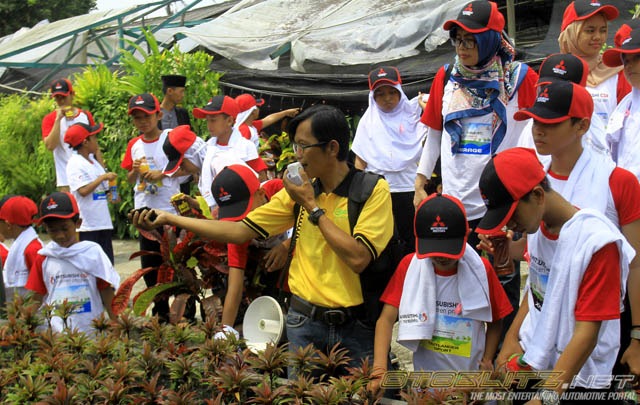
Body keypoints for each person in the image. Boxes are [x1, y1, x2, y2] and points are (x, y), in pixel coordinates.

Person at [131, 104, 394, 376]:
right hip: (304, 325)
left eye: (304, 146)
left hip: (357, 327)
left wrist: (313, 209)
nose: (297, 155)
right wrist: (170, 218)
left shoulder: (371, 191)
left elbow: (359, 258)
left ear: (332, 148)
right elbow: (239, 231)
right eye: (295, 146)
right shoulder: (298, 192)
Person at [413, 0, 537, 341]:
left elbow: (537, 136)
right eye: (458, 40)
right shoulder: (447, 76)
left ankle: (502, 363)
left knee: (501, 290)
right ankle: (465, 363)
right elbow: (435, 130)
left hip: (500, 207)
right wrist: (421, 182)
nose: (463, 48)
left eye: (471, 40)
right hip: (456, 206)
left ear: (492, 40)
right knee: (457, 292)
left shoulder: (519, 79)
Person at [477, 148, 631, 403]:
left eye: (511, 215)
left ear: (537, 195)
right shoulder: (538, 226)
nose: (509, 225)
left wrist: (546, 397)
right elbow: (537, 286)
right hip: (538, 358)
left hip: (578, 377)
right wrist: (512, 338)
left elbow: (587, 334)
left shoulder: (596, 244)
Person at [372, 193, 512, 390]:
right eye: (434, 251)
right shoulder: (409, 267)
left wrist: (487, 360)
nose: (442, 257)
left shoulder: (481, 270)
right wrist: (379, 369)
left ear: (467, 234)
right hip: (426, 385)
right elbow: (385, 320)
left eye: (448, 250)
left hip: (470, 382)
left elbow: (497, 319)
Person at [209, 165, 289, 340]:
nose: (241, 220)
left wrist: (288, 246)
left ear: (261, 194)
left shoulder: (281, 190)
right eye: (234, 216)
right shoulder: (238, 227)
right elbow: (235, 285)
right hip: (269, 271)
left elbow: (313, 223)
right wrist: (225, 331)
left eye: (245, 211)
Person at [352, 66, 426, 254]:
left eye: (392, 92)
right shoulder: (367, 122)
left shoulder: (414, 114)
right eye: (380, 93)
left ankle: (409, 281)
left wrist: (426, 106)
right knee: (383, 244)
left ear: (400, 91)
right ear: (372, 96)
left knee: (413, 241)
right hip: (378, 191)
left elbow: (434, 138)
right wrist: (359, 196)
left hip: (410, 189)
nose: (387, 98)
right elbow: (359, 162)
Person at [121, 93, 182, 322]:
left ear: (158, 115)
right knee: (150, 263)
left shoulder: (171, 138)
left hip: (168, 210)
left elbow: (188, 168)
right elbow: (128, 179)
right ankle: (160, 309)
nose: (142, 122)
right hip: (144, 211)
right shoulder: (134, 145)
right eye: (137, 118)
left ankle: (181, 309)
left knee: (174, 262)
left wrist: (163, 173)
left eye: (146, 116)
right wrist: (135, 172)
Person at [601, 26, 640, 379]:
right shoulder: (626, 107)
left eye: (637, 57)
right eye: (626, 59)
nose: (630, 65)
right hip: (626, 216)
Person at [25, 192, 120, 334]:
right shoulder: (44, 257)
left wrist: (116, 323)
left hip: (91, 332)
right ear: (45, 228)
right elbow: (36, 297)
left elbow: (106, 290)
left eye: (65, 228)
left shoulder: (92, 253)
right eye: (53, 230)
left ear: (78, 223)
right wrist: (25, 326)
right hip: (57, 334)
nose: (60, 235)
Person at [518, 53, 608, 158]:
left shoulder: (593, 127)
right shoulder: (531, 126)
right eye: (545, 86)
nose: (551, 92)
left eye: (562, 89)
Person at [558, 0, 630, 126]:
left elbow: (628, 121)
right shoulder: (555, 70)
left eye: (603, 30)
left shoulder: (616, 71)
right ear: (571, 32)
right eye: (590, 31)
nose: (598, 37)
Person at [194, 95, 268, 207]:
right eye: (207, 121)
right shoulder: (207, 148)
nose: (209, 126)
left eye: (213, 120)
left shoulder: (245, 146)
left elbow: (261, 178)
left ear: (229, 121)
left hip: (244, 205)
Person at [64, 122, 118, 264]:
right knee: (91, 265)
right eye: (94, 138)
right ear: (85, 142)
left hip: (103, 222)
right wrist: (103, 177)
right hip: (88, 226)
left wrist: (112, 193)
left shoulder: (93, 162)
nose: (97, 142)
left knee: (107, 264)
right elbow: (83, 191)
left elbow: (102, 189)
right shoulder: (75, 163)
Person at [41, 78, 98, 191]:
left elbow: (95, 147)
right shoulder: (50, 119)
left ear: (72, 95)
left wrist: (101, 169)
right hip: (66, 178)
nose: (61, 101)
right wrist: (58, 120)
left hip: (90, 174)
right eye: (57, 98)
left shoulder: (85, 116)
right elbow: (50, 146)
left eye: (64, 97)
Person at [0, 196, 42, 301]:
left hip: (30, 312)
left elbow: (40, 289)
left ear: (8, 224)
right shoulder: (20, 245)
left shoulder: (32, 249)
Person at [159, 74, 193, 195]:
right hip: (161, 170)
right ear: (170, 91)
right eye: (181, 91)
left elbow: (190, 139)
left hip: (182, 170)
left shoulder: (182, 113)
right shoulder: (154, 115)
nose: (183, 95)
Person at [234, 94, 300, 149]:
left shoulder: (250, 126)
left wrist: (286, 113)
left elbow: (269, 119)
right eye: (257, 106)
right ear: (253, 111)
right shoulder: (245, 130)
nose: (259, 109)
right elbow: (243, 154)